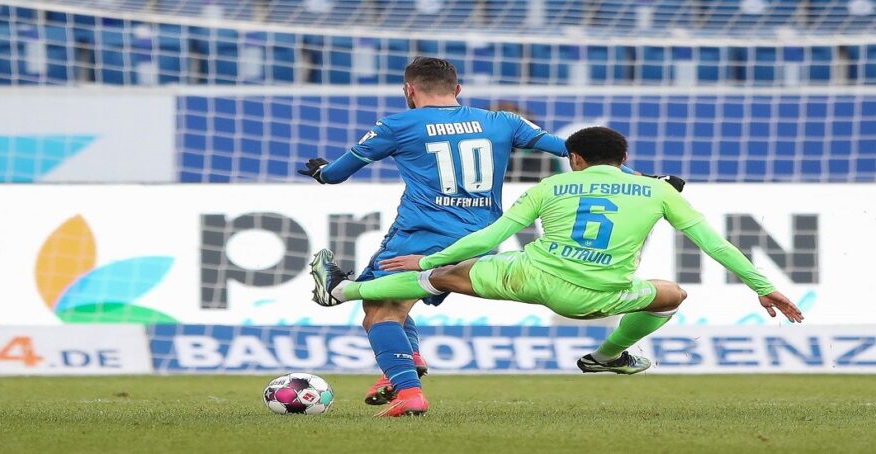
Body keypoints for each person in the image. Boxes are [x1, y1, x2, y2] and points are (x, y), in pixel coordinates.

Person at [312, 126, 804, 417]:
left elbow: (488, 237)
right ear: (625, 160)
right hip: (599, 296)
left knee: (445, 277)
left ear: (575, 159)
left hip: (528, 275)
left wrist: (429, 260)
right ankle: (607, 356)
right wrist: (764, 288)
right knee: (671, 294)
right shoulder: (660, 191)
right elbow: (715, 244)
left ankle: (345, 289)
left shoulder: (551, 186)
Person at [298, 57, 622, 412]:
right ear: (457, 89)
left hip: (423, 233)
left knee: (379, 310)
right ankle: (407, 362)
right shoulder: (503, 121)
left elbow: (336, 174)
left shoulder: (396, 125)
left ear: (409, 90)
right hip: (480, 239)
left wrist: (322, 171)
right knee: (395, 301)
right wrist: (641, 178)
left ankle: (408, 392)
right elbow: (582, 154)